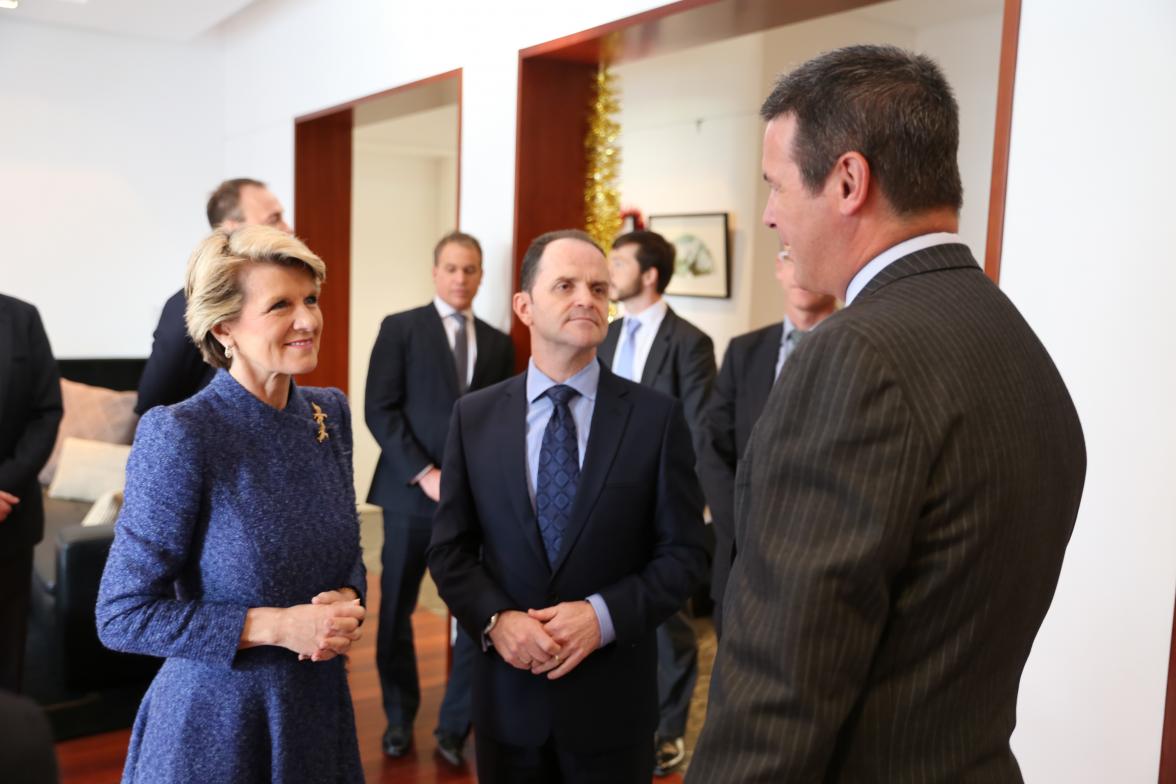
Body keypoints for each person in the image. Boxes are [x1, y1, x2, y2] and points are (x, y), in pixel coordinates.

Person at [687, 45, 1086, 782]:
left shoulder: (854, 357)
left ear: (847, 181)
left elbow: (781, 686)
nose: (771, 215)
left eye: (776, 186)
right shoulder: (1016, 342)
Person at [427, 229, 707, 784]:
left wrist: (600, 618)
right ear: (524, 306)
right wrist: (496, 620)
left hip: (612, 707)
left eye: (600, 288)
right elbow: (451, 550)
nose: (588, 298)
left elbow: (684, 555)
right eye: (566, 285)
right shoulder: (475, 417)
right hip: (508, 701)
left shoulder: (655, 419)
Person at [97, 226, 367, 783]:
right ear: (225, 328)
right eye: (280, 306)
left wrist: (348, 596)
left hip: (317, 712)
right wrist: (276, 627)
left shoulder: (328, 413)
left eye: (311, 299)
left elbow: (347, 552)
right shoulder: (181, 434)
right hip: (216, 727)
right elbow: (121, 615)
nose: (309, 320)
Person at [364, 230, 515, 766]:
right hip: (409, 497)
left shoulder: (499, 343)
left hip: (474, 505)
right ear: (435, 272)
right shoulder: (400, 328)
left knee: (478, 614)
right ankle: (399, 719)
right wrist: (424, 472)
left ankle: (454, 728)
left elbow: (502, 424)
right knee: (395, 613)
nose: (460, 278)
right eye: (451, 268)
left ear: (480, 275)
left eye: (470, 269)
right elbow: (379, 409)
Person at [599, 229, 715, 776]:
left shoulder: (688, 342)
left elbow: (698, 427)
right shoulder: (605, 332)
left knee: (668, 623)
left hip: (658, 498)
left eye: (618, 261)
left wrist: (692, 504)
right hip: (599, 496)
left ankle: (669, 732)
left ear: (649, 275)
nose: (609, 269)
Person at [696, 251, 836, 638]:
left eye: (808, 254)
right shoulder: (745, 351)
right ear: (778, 269)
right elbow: (711, 449)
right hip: (740, 560)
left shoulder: (860, 349)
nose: (801, 271)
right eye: (790, 258)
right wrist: (743, 526)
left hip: (821, 566)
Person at [135, 178, 291, 414]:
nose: (288, 229)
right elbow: (153, 401)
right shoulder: (187, 306)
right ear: (232, 228)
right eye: (274, 219)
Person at [0, 294, 63, 694]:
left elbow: (46, 412)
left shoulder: (21, 317)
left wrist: (5, 484)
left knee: (7, 650)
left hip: (10, 515)